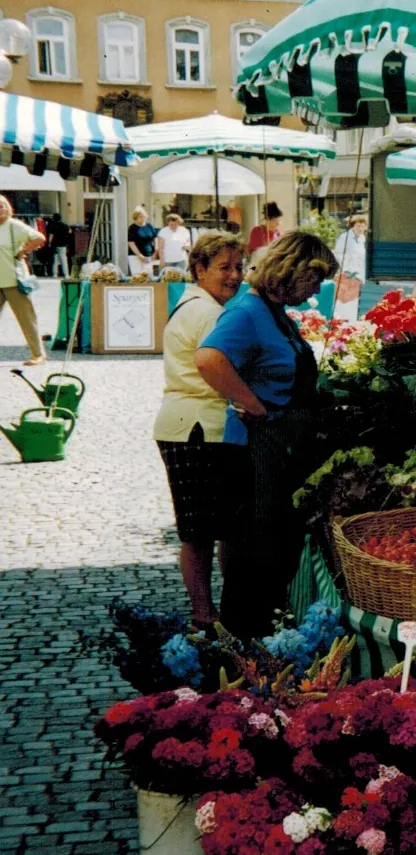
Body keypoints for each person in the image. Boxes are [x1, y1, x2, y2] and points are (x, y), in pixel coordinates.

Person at [196, 232, 339, 640]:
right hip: (256, 454)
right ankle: (243, 650)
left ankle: (265, 648)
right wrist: (252, 402)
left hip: (282, 451)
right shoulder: (247, 311)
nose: (316, 289)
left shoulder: (275, 313)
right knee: (255, 559)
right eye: (314, 280)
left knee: (276, 555)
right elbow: (208, 359)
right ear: (292, 271)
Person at [153, 233, 248, 628]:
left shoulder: (195, 303)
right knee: (200, 531)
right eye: (224, 267)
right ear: (199, 270)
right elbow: (216, 366)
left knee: (213, 527)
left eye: (239, 267)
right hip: (197, 427)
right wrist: (253, 402)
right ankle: (206, 615)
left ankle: (217, 611)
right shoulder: (206, 312)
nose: (234, 276)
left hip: (191, 424)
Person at [0, 196, 47, 365]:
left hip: (14, 280)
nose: (0, 209)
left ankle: (38, 354)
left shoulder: (14, 226)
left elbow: (39, 238)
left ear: (8, 208)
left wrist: (23, 251)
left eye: (2, 206)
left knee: (26, 319)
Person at [331, 214, 367, 321]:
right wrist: (347, 267)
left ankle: (350, 321)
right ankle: (340, 320)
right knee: (342, 298)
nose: (360, 229)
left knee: (353, 300)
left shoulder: (363, 239)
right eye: (358, 226)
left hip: (357, 275)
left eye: (362, 226)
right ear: (353, 226)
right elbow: (338, 254)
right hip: (345, 273)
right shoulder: (344, 237)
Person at [127, 207, 158, 277]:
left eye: (144, 216)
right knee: (137, 277)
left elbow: (155, 238)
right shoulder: (132, 228)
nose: (143, 218)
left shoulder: (150, 226)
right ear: (135, 218)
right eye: (140, 217)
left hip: (149, 255)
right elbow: (131, 243)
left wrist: (156, 251)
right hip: (135, 256)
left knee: (149, 276)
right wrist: (140, 256)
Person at [46, 213, 72, 279]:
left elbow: (51, 235)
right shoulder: (64, 225)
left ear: (54, 218)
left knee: (55, 259)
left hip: (55, 244)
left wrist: (49, 243)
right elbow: (70, 231)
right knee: (63, 259)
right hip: (63, 244)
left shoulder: (52, 225)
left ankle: (55, 274)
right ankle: (66, 274)